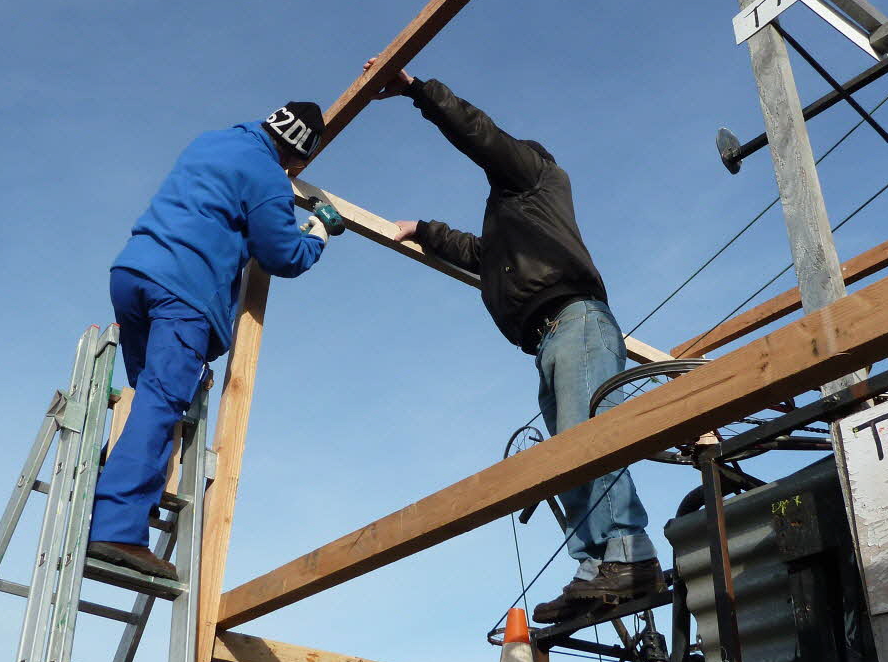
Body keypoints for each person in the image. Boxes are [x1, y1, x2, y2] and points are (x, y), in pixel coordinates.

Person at [364, 59, 662, 623]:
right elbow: (479, 255)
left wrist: (416, 90)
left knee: (590, 437)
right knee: (564, 453)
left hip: (575, 322)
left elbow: (479, 134)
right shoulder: (518, 224)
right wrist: (423, 231)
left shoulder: (535, 175)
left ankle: (630, 553)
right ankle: (595, 567)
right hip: (548, 339)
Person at [88, 102, 335, 578]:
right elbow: (283, 255)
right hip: (183, 292)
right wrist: (318, 234)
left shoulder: (213, 141)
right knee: (162, 402)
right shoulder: (268, 175)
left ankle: (112, 485)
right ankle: (116, 529)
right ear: (299, 157)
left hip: (133, 273)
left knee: (149, 398)